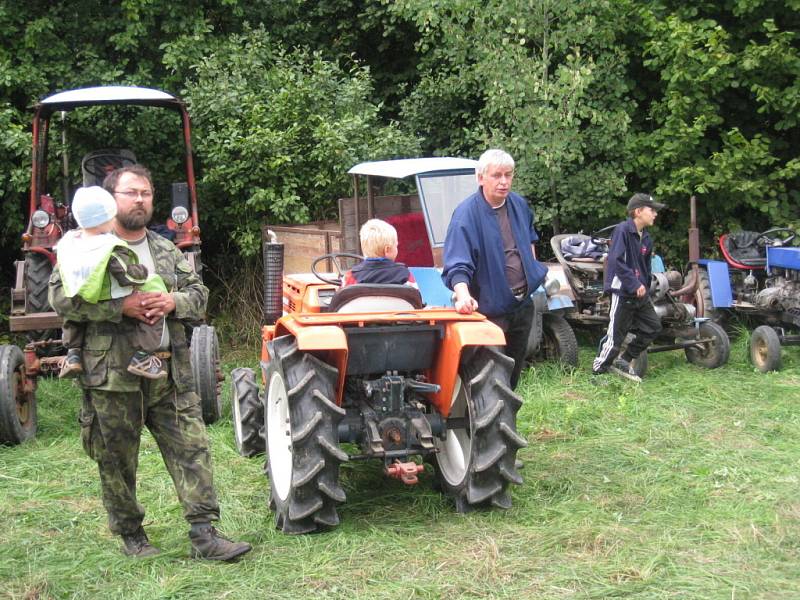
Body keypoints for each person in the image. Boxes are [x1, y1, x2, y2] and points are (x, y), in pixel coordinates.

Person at [49, 164, 251, 561]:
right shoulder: (86, 247)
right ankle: (132, 536)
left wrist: (174, 301)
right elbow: (59, 298)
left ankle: (205, 535)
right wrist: (118, 306)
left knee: (192, 451)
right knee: (116, 459)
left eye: (145, 192)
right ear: (111, 199)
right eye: (130, 192)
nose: (139, 199)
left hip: (170, 373)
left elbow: (200, 293)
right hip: (112, 377)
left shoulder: (165, 249)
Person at [442, 149, 548, 389]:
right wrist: (463, 295)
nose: (503, 182)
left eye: (508, 175)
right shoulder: (466, 215)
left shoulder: (518, 205)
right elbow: (457, 264)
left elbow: (529, 239)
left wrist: (533, 272)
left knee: (512, 376)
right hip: (490, 312)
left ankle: (507, 422)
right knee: (489, 379)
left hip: (522, 305)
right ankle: (487, 423)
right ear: (481, 177)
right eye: (497, 175)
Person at [56, 186, 168, 381]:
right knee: (153, 309)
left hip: (81, 290)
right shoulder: (109, 246)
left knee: (73, 315)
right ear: (106, 219)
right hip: (110, 292)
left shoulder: (69, 242)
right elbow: (126, 275)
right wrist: (141, 273)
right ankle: (143, 357)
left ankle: (73, 353)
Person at [591, 193, 665, 382]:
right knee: (615, 336)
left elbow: (646, 268)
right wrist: (633, 283)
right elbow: (616, 261)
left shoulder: (646, 238)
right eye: (652, 210)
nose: (655, 214)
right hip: (623, 292)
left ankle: (625, 359)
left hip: (640, 294)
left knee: (653, 327)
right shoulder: (622, 231)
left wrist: (645, 287)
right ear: (638, 212)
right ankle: (599, 371)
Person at [342, 218, 418, 287]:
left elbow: (341, 300)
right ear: (387, 250)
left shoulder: (350, 277)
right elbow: (416, 299)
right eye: (396, 246)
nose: (397, 249)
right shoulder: (405, 275)